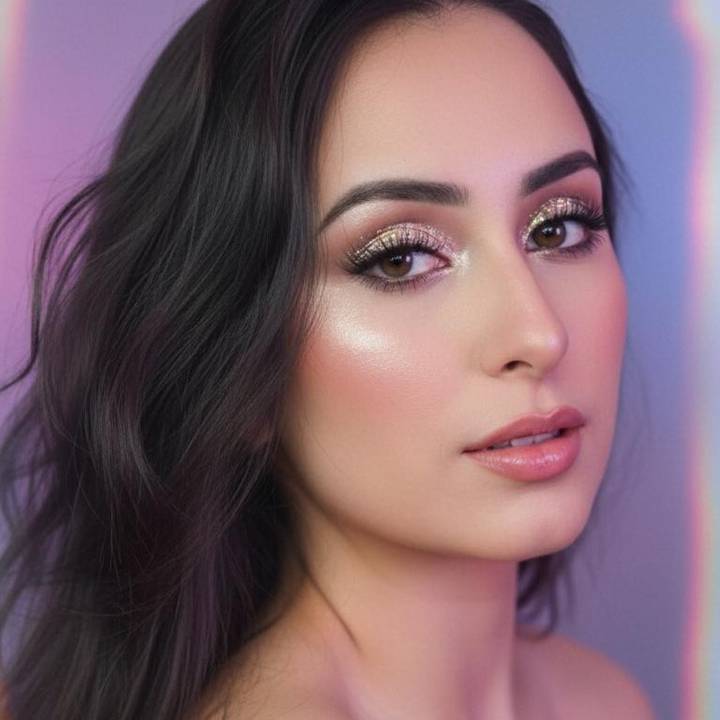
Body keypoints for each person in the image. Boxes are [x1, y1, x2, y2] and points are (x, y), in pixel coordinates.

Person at [0, 1, 657, 718]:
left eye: (558, 228)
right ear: (236, 368)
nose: (540, 335)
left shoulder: (606, 701)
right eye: (401, 259)